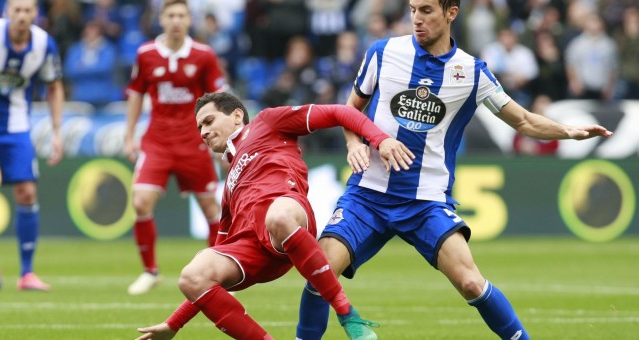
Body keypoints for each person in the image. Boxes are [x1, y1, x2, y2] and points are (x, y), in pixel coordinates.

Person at [295, 1, 613, 339]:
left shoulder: (472, 72)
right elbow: (350, 111)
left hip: (425, 202)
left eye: (427, 10)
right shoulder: (383, 52)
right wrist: (354, 144)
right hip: (368, 195)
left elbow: (522, 119)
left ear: (451, 13)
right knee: (320, 273)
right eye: (413, 9)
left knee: (471, 281)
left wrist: (568, 131)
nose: (417, 18)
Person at [135, 92, 414, 340]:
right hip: (256, 252)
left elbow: (339, 112)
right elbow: (215, 262)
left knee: (277, 217)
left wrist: (379, 139)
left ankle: (347, 314)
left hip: (289, 218)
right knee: (191, 275)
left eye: (208, 121)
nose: (203, 132)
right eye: (199, 128)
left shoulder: (267, 122)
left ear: (236, 115)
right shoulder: (230, 185)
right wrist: (175, 323)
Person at [124, 0, 226, 296]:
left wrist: (221, 142)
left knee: (210, 207)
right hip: (157, 141)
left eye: (182, 15)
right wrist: (129, 134)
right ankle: (150, 271)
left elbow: (218, 99)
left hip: (193, 142)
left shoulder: (204, 55)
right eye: (171, 15)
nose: (176, 20)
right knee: (141, 202)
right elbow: (135, 94)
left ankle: (219, 273)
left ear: (189, 19)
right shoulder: (146, 54)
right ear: (162, 19)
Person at [0, 0, 64, 291]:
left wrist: (56, 131)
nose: (22, 16)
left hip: (17, 126)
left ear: (35, 14)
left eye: (28, 10)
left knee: (27, 192)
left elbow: (54, 86)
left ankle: (27, 273)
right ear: (7, 13)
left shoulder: (43, 43)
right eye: (17, 10)